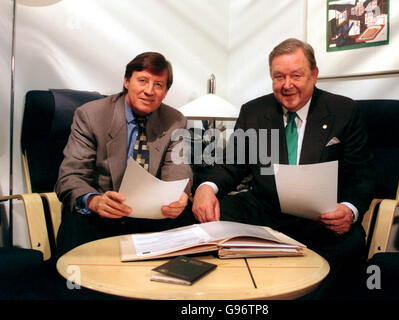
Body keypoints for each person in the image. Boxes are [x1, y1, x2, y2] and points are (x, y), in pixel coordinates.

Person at [192, 38, 375, 298]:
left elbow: (363, 175)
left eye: (296, 75)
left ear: (314, 75)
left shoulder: (344, 111)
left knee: (351, 245)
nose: (287, 85)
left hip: (321, 218)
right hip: (266, 210)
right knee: (207, 217)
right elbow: (232, 163)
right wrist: (205, 188)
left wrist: (349, 210)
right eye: (279, 77)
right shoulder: (254, 112)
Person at [55, 52, 195, 256]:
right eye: (143, 81)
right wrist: (94, 201)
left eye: (158, 85)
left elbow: (178, 169)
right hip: (100, 214)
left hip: (149, 217)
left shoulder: (175, 121)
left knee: (189, 225)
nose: (149, 91)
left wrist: (178, 197)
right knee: (76, 220)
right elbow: (70, 177)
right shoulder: (91, 116)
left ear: (165, 92)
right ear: (127, 81)